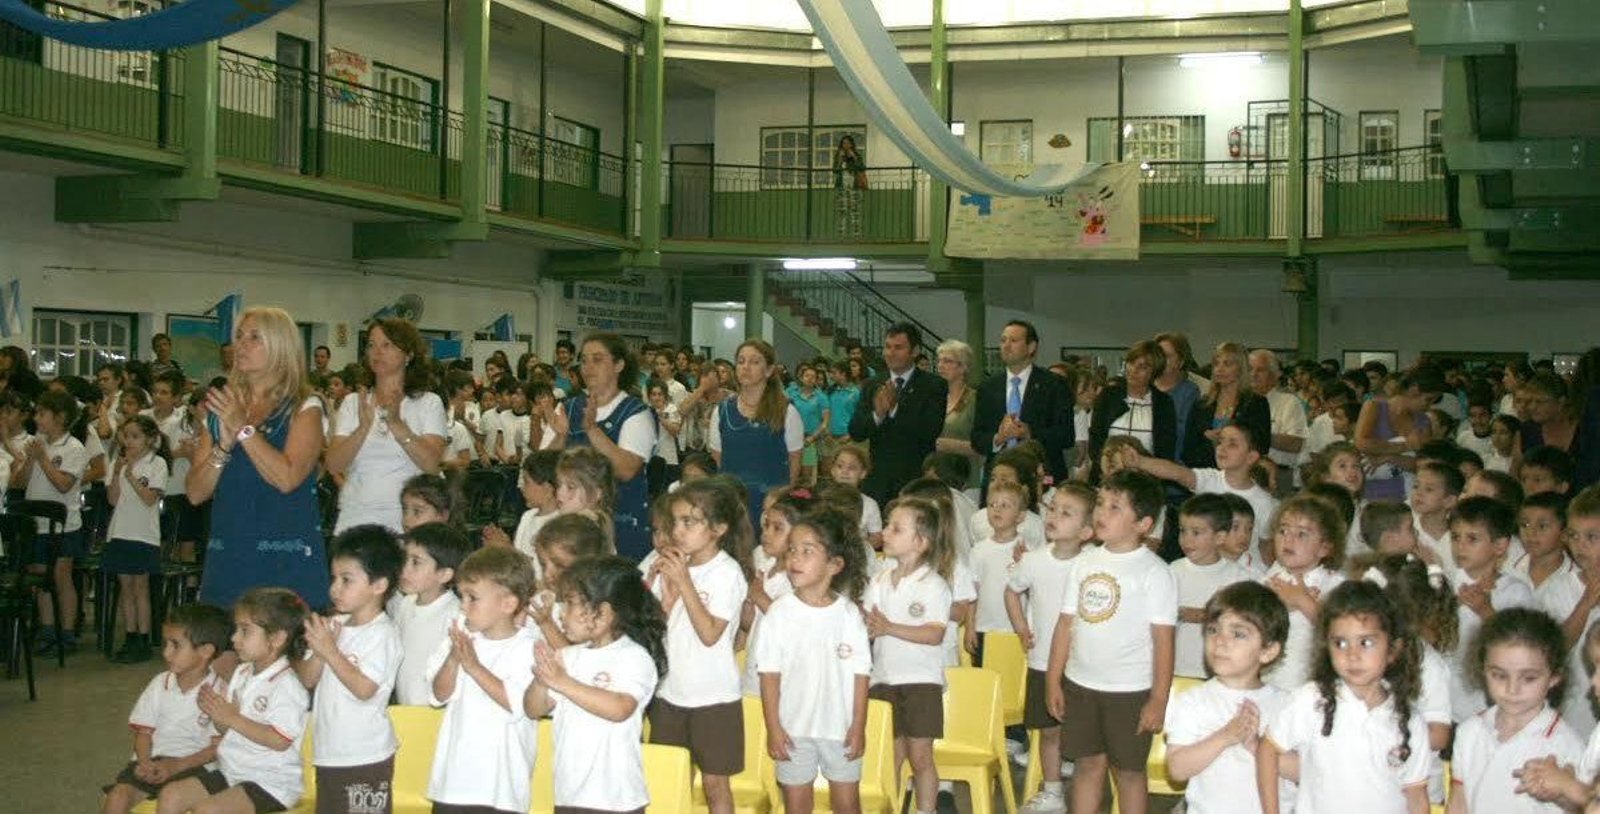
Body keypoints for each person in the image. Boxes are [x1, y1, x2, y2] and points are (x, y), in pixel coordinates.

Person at [1044, 470, 1176, 814]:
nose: (1102, 513)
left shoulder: (1155, 571)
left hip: (1129, 692)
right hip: (1081, 685)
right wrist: (1053, 679)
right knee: (1087, 766)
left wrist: (1158, 699)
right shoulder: (1084, 561)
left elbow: (1163, 641)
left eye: (1115, 507)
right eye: (1101, 503)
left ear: (1143, 524)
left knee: (1129, 773)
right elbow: (1064, 625)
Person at [188, 306, 329, 609]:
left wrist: (244, 430)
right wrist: (222, 448)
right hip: (230, 553)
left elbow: (287, 478)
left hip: (284, 558)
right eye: (239, 336)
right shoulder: (220, 406)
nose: (241, 344)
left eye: (254, 337)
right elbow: (195, 493)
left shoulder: (305, 406)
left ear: (280, 347)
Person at [1257, 580, 1430, 814]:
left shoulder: (1409, 720)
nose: (1352, 655)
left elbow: (1416, 796)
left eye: (1366, 642)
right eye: (1340, 643)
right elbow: (1267, 750)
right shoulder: (1312, 700)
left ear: (1393, 650)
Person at [522, 556, 667, 814]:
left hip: (614, 800)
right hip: (569, 794)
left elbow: (620, 708)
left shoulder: (633, 657)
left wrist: (564, 682)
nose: (561, 614)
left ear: (604, 613)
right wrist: (541, 678)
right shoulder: (569, 656)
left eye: (569, 605)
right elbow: (533, 709)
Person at [755, 507, 872, 814]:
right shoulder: (779, 613)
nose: (794, 558)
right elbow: (769, 676)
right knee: (796, 806)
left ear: (834, 564)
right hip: (793, 730)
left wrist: (858, 726)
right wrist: (774, 728)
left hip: (841, 729)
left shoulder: (848, 615)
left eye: (807, 551)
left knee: (847, 805)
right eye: (792, 550)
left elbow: (861, 676)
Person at [646, 479, 752, 814]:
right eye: (675, 521)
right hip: (669, 692)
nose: (678, 530)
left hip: (712, 697)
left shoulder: (727, 573)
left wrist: (684, 583)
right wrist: (665, 599)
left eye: (689, 522)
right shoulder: (673, 565)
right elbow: (656, 632)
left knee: (714, 786)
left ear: (718, 528)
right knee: (669, 780)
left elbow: (709, 634)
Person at [157, 588, 311, 814]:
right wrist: (217, 713)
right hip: (231, 770)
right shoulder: (242, 673)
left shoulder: (287, 685)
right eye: (236, 630)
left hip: (270, 782)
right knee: (171, 795)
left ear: (277, 638)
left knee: (208, 811)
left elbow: (280, 740)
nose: (233, 638)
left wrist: (233, 717)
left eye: (245, 631)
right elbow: (226, 729)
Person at [296, 525, 404, 814]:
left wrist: (330, 651)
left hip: (365, 757)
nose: (335, 589)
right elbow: (306, 678)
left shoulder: (382, 634)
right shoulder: (335, 625)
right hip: (329, 753)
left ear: (379, 585)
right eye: (334, 578)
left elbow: (364, 689)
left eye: (347, 580)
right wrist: (321, 650)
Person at [424, 547, 541, 814]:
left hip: (500, 787)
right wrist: (453, 660)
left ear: (508, 604)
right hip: (453, 782)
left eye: (472, 598)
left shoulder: (528, 648)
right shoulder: (459, 638)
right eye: (461, 596)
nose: (463, 607)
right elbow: (438, 696)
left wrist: (473, 667)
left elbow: (519, 704)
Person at [1162, 582, 1291, 814]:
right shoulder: (1194, 701)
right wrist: (1225, 736)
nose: (1220, 641)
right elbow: (1177, 769)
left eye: (1238, 634)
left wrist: (1258, 747)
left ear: (1268, 651)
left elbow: (1307, 770)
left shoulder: (1287, 704)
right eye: (1213, 629)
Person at [1005, 483, 1095, 814]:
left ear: (1087, 530)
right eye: (1052, 508)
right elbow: (1011, 591)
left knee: (1086, 736)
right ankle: (1053, 791)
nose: (1054, 516)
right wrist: (1021, 628)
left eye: (1066, 512)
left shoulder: (1093, 564)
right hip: (1043, 660)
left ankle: (1089, 792)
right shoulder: (1032, 560)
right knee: (1048, 733)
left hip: (1083, 665)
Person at [865, 495, 955, 814]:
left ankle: (925, 810)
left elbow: (934, 633)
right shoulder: (878, 579)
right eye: (887, 526)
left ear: (920, 542)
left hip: (920, 682)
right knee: (889, 756)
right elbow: (868, 622)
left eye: (895, 528)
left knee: (920, 756)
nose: (886, 533)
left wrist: (888, 628)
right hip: (883, 679)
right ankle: (888, 806)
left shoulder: (933, 585)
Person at [1448, 607, 1583, 814]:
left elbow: (1584, 807)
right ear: (1483, 670)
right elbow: (1458, 804)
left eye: (1528, 678)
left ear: (1554, 677)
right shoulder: (1470, 731)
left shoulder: (1566, 743)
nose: (1512, 690)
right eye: (1500, 675)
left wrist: (1563, 795)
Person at [99, 604, 231, 814]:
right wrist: (144, 762)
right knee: (117, 796)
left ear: (206, 651)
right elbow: (144, 733)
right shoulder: (160, 683)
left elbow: (216, 749)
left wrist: (176, 766)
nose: (166, 653)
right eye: (165, 644)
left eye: (175, 645)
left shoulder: (220, 694)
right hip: (152, 760)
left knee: (172, 796)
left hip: (194, 766)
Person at [326, 318, 448, 534]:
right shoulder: (354, 401)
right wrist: (363, 428)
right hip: (356, 516)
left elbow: (432, 465)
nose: (377, 352)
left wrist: (396, 424)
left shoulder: (428, 402)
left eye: (387, 345)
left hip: (408, 519)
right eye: (371, 345)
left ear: (408, 355)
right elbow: (333, 464)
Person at [549, 332, 657, 562]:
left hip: (622, 525)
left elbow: (627, 470)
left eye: (598, 359)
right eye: (584, 360)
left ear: (618, 365)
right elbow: (544, 468)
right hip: (572, 525)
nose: (588, 367)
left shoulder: (637, 413)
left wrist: (592, 430)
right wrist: (559, 437)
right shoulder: (567, 408)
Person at [1448, 496, 1536, 722]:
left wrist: (1485, 610)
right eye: (1455, 537)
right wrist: (1449, 606)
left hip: (1488, 701)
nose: (1460, 546)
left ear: (1499, 546)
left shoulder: (1515, 591)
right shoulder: (1446, 582)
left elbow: (1519, 645)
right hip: (1447, 698)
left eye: (1472, 539)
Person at [850, 323, 948, 507]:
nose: (890, 353)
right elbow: (856, 431)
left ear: (915, 351)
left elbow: (930, 430)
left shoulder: (934, 385)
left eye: (898, 347)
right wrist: (878, 414)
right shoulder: (873, 384)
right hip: (877, 481)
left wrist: (894, 409)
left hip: (915, 481)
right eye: (887, 347)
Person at [708, 339, 803, 528]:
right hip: (732, 506)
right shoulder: (721, 411)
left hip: (771, 506)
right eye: (741, 361)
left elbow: (794, 462)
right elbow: (718, 458)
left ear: (768, 370)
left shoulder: (787, 411)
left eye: (754, 362)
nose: (746, 367)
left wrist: (778, 499)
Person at [24, 390, 91, 654]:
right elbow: (20, 482)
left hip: (64, 525)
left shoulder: (74, 447)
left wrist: (41, 458)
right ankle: (48, 631)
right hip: (36, 522)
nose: (37, 419)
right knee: (40, 576)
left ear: (60, 418)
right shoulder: (37, 442)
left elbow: (64, 484)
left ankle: (67, 633)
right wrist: (30, 459)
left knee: (60, 577)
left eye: (42, 414)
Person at [1260, 495, 1348, 691]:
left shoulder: (1335, 584)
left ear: (1324, 548)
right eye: (1282, 530)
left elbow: (1343, 632)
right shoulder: (1268, 580)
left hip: (1311, 687)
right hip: (1267, 683)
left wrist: (1303, 601)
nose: (1288, 539)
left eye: (1301, 534)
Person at [103, 415, 171, 664]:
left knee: (140, 587)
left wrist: (130, 475)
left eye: (135, 436)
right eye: (126, 436)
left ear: (151, 439)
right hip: (120, 531)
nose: (129, 442)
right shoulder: (118, 462)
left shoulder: (158, 463)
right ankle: (129, 636)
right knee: (125, 588)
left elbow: (149, 498)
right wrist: (118, 472)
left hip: (143, 534)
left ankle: (143, 639)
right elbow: (112, 499)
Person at [972, 320, 1073, 487]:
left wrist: (1030, 434)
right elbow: (977, 438)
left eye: (1013, 341)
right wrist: (998, 438)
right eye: (1003, 340)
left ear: (1031, 347)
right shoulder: (988, 387)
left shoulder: (1054, 384)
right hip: (998, 477)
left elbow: (1066, 436)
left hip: (1041, 476)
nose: (1006, 346)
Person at [1170, 494, 1253, 680]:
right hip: (1174, 669)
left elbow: (1246, 623)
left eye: (1196, 532)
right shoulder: (1171, 570)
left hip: (1218, 673)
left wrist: (1207, 615)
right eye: (1183, 531)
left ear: (1220, 537)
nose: (1186, 540)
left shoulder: (1238, 577)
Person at [389, 522, 469, 706]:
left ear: (444, 575)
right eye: (404, 559)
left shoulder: (455, 614)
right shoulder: (406, 604)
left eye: (416, 562)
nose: (404, 569)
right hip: (407, 707)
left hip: (435, 712)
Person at [742, 489, 807, 697]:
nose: (767, 533)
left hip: (782, 682)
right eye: (766, 525)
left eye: (777, 528)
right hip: (754, 673)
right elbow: (752, 625)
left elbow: (789, 624)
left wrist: (759, 595)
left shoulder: (799, 578)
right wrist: (747, 604)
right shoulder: (767, 569)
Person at [1087, 340, 1178, 479]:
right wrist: (1106, 467)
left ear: (1154, 372)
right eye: (1131, 362)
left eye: (1142, 367)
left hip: (1146, 479)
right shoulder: (1108, 395)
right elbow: (1095, 438)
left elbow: (1166, 450)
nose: (1133, 370)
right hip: (1106, 475)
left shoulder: (1164, 403)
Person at [1355, 365, 1444, 501]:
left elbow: (1424, 465)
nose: (1429, 406)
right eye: (1428, 399)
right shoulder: (1374, 407)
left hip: (1407, 496)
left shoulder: (1423, 421)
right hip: (1370, 494)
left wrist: (1390, 457)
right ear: (1414, 390)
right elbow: (1362, 443)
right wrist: (1405, 446)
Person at [1183, 342, 1271, 475]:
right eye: (1216, 364)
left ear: (1241, 369)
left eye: (1227, 364)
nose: (1219, 369)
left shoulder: (1256, 403)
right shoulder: (1202, 404)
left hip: (1243, 476)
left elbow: (1262, 446)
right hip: (1206, 476)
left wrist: (1229, 439)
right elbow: (1187, 451)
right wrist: (1211, 444)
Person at [1248, 350, 1308, 495]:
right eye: (1250, 369)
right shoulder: (1239, 402)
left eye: (1260, 370)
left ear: (1275, 375)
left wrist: (1254, 435)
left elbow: (1295, 444)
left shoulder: (1288, 402)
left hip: (1279, 475)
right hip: (1243, 472)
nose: (1253, 374)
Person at [933, 340, 983, 491]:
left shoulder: (976, 399)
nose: (940, 365)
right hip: (934, 477)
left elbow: (985, 445)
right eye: (939, 361)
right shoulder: (931, 398)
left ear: (963, 367)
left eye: (947, 361)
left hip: (967, 479)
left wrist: (953, 446)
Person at [1153, 332, 1204, 462]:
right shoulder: (1144, 387)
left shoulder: (1189, 392)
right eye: (1158, 355)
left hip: (1174, 464)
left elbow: (1185, 433)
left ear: (1180, 362)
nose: (1161, 360)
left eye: (1167, 356)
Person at [833, 135, 866, 240]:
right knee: (842, 210)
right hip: (841, 186)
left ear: (852, 145)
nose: (846, 145)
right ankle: (841, 236)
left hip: (854, 186)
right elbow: (835, 170)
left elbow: (862, 168)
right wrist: (840, 160)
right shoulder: (839, 155)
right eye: (843, 143)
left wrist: (854, 158)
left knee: (855, 210)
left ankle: (856, 236)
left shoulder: (856, 155)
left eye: (848, 143)